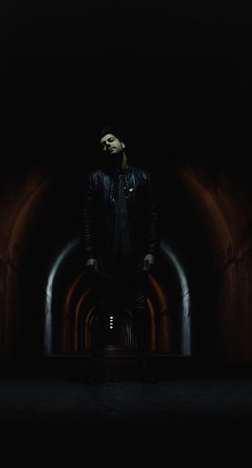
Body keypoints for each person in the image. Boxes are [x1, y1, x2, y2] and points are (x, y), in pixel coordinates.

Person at [81, 125, 160, 383]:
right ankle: (95, 366)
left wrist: (150, 251)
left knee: (139, 310)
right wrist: (91, 253)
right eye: (103, 143)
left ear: (123, 143)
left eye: (111, 139)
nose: (107, 145)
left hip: (135, 259)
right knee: (101, 313)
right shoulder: (96, 179)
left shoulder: (143, 178)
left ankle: (145, 365)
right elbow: (88, 218)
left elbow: (151, 217)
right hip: (107, 261)